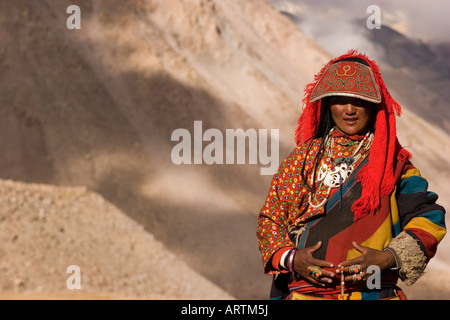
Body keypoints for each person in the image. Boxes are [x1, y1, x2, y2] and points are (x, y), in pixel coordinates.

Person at [256, 50, 446, 300]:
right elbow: (271, 219)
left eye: (359, 100)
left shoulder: (394, 165)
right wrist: (293, 259)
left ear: (373, 105)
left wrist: (387, 258)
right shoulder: (301, 160)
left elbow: (430, 218)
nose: (349, 110)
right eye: (340, 100)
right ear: (327, 104)